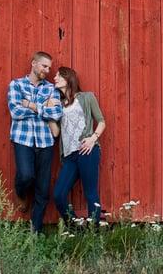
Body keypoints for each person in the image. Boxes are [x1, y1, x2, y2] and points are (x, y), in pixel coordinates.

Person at [7, 51, 63, 233]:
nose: (47, 70)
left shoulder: (51, 89)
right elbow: (15, 112)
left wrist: (30, 105)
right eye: (44, 66)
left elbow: (56, 113)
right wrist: (43, 108)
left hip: (45, 142)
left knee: (43, 188)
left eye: (49, 67)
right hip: (22, 139)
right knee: (25, 175)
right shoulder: (16, 85)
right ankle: (21, 193)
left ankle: (35, 232)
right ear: (33, 63)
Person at [50, 67, 106, 224]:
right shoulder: (59, 105)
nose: (55, 78)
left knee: (90, 192)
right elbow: (55, 133)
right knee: (59, 194)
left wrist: (93, 138)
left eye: (58, 75)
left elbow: (101, 121)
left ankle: (94, 231)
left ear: (68, 79)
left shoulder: (87, 97)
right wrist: (49, 113)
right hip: (69, 156)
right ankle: (74, 227)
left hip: (86, 150)